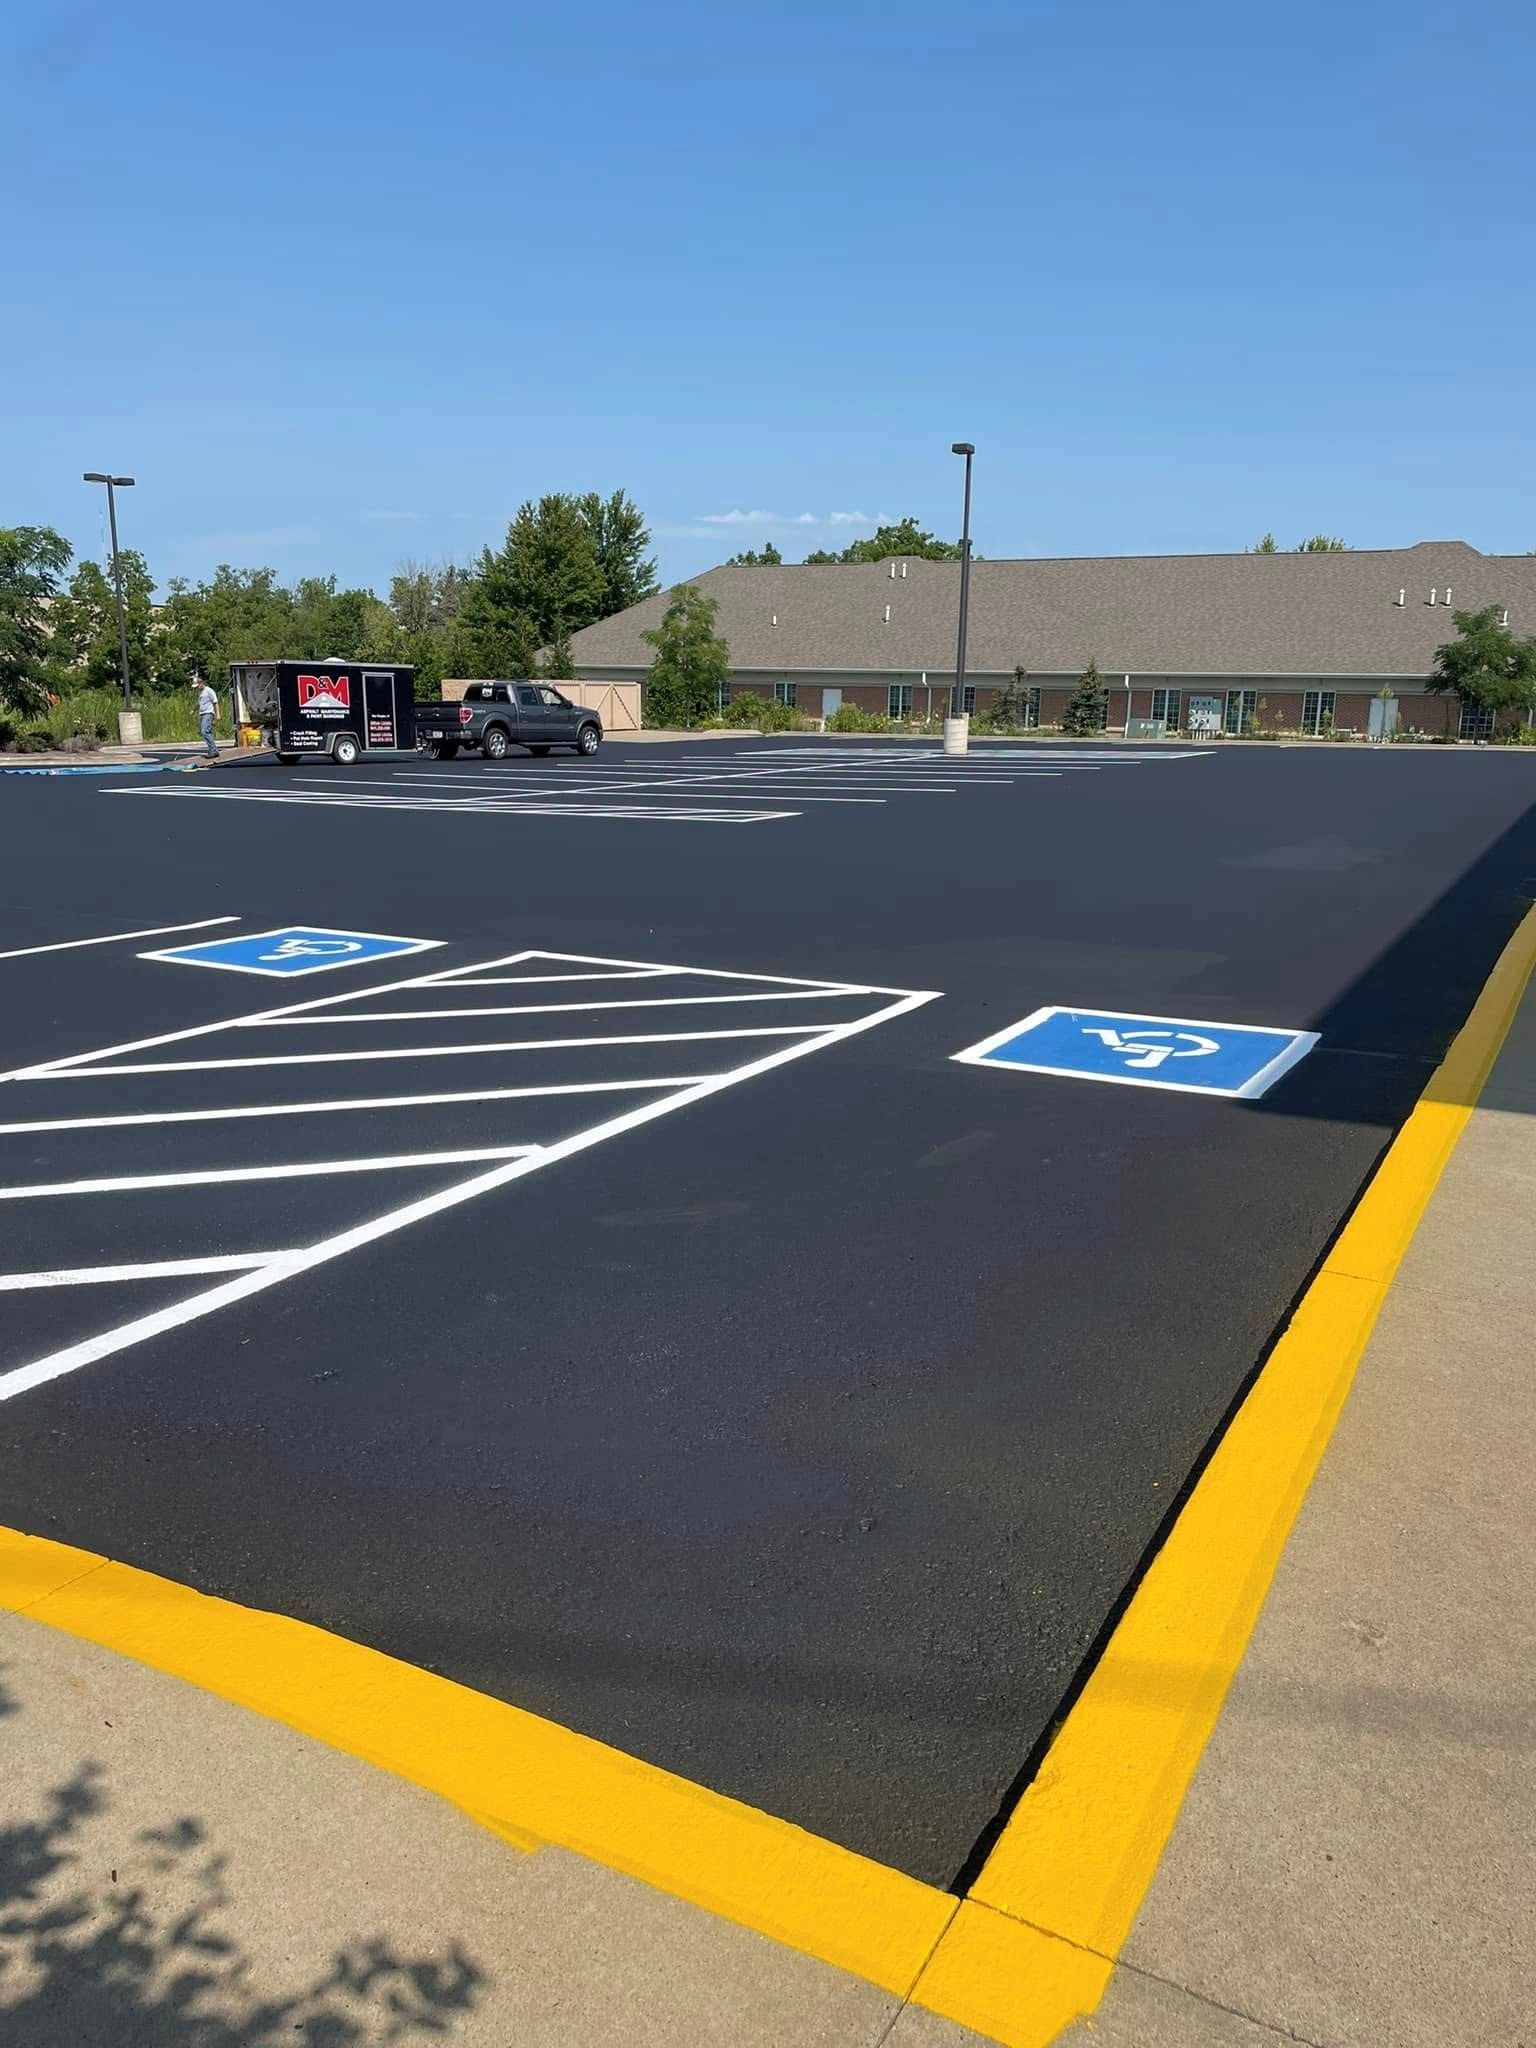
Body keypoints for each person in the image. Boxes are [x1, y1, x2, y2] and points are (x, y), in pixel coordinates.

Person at [195, 678, 219, 758]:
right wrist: (193, 710)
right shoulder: (200, 692)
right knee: (206, 732)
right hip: (202, 714)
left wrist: (218, 715)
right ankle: (212, 749)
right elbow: (200, 703)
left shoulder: (209, 691)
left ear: (201, 683)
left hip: (208, 713)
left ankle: (213, 750)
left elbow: (215, 702)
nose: (196, 688)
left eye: (197, 686)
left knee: (205, 731)